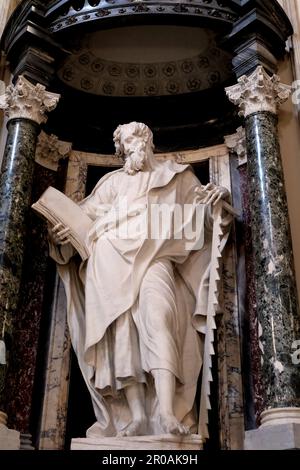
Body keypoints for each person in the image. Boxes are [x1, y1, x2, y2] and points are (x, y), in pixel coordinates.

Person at [48, 122, 231, 439]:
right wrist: (62, 233)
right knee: (122, 338)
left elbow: (201, 216)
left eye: (140, 138)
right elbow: (80, 217)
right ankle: (134, 417)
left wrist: (218, 199)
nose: (136, 145)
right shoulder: (112, 183)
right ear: (120, 150)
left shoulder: (176, 176)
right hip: (109, 266)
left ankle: (166, 413)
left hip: (154, 261)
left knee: (159, 320)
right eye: (128, 141)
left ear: (149, 142)